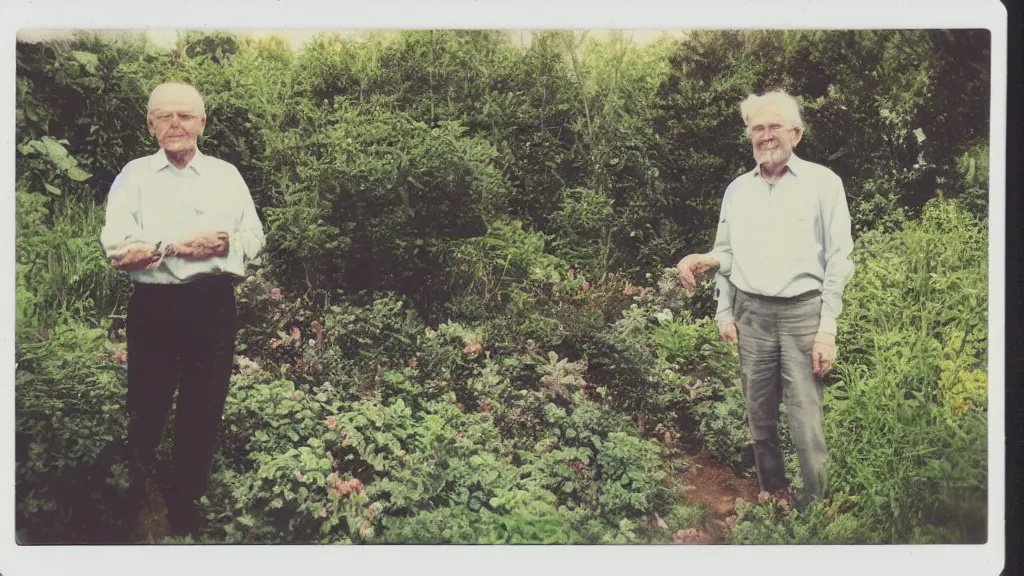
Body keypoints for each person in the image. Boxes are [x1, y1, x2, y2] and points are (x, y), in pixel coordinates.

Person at [100, 82, 265, 538]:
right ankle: (133, 500)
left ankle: (186, 508)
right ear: (151, 125)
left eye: (186, 116)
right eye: (165, 116)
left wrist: (225, 242)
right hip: (154, 307)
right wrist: (170, 246)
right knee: (146, 405)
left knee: (203, 408)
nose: (176, 124)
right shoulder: (132, 176)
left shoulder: (226, 175)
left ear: (202, 123)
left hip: (211, 306)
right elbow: (117, 249)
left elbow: (255, 236)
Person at [676, 91, 855, 506]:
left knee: (805, 418)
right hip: (751, 313)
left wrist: (827, 330)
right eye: (757, 128)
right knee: (759, 414)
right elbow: (728, 252)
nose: (766, 135)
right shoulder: (737, 190)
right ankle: (773, 493)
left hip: (803, 314)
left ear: (797, 133)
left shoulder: (824, 184)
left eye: (775, 126)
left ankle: (816, 505)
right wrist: (717, 289)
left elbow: (839, 260)